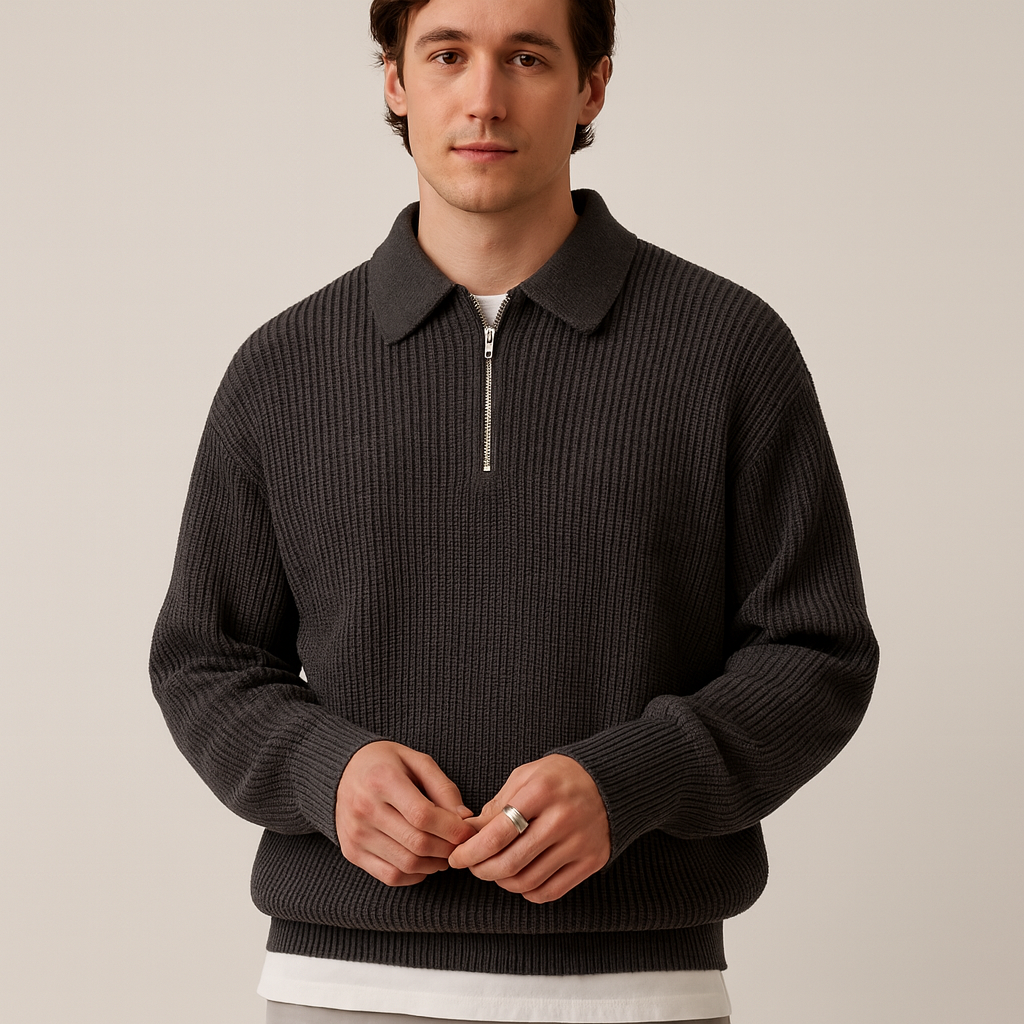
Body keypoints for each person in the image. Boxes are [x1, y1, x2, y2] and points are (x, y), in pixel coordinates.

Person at [150, 1, 878, 1021]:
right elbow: (204, 659)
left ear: (592, 84)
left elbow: (815, 652)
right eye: (447, 54)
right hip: (339, 985)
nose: (484, 98)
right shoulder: (283, 369)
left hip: (636, 992)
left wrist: (634, 780)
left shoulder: (727, 349)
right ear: (396, 80)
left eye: (527, 58)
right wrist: (326, 770)